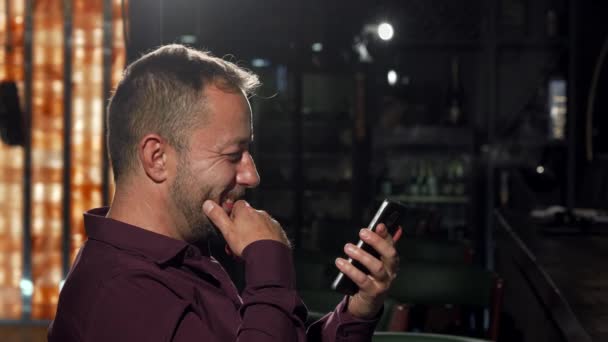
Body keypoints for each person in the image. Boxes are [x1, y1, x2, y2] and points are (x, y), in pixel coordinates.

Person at [48, 44, 401, 341]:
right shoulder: (119, 294)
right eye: (233, 155)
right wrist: (270, 267)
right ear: (157, 158)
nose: (252, 175)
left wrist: (355, 313)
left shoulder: (181, 258)